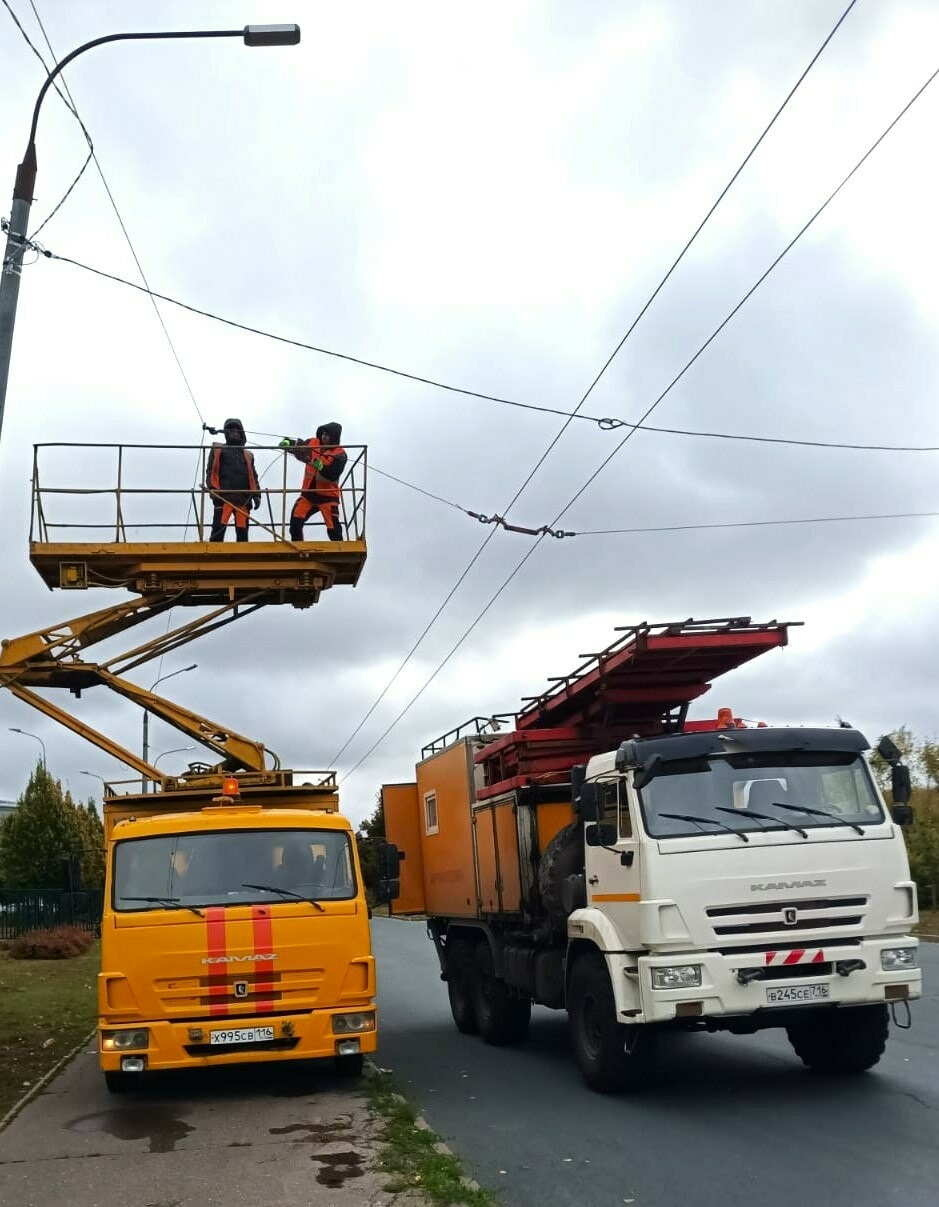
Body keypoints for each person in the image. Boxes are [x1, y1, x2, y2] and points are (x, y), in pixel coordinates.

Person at [279, 422, 347, 541]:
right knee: (295, 522)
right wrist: (288, 443)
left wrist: (320, 466)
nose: (324, 437)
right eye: (324, 434)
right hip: (308, 495)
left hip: (328, 497)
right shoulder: (313, 442)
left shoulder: (340, 454)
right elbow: (300, 446)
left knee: (334, 529)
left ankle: (340, 550)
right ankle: (299, 549)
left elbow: (333, 474)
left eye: (328, 435)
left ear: (334, 438)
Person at [205, 417, 261, 542]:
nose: (235, 433)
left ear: (241, 433)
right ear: (226, 433)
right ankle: (213, 556)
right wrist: (212, 489)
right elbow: (210, 471)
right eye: (231, 430)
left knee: (242, 534)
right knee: (217, 531)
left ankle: (243, 559)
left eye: (237, 430)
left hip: (243, 500)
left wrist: (257, 495)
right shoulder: (218, 449)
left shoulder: (248, 455)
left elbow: (253, 476)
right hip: (223, 498)